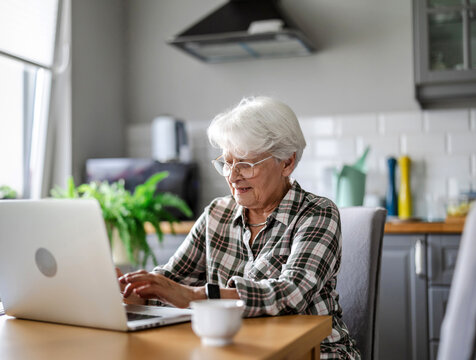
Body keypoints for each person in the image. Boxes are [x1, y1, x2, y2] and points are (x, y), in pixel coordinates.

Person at [118, 96, 360, 359]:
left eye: (245, 164)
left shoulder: (317, 214)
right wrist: (131, 290)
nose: (232, 177)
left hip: (314, 351)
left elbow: (291, 295)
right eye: (227, 163)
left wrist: (196, 296)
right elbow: (168, 284)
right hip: (241, 350)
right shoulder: (216, 214)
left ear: (287, 162)